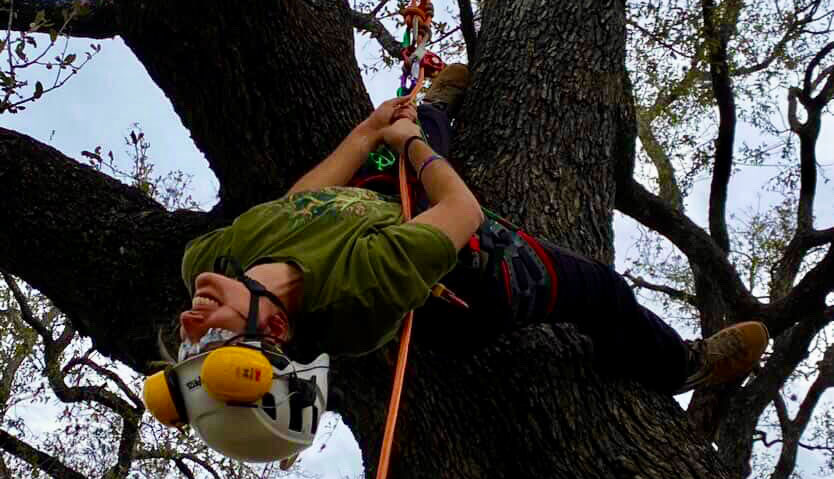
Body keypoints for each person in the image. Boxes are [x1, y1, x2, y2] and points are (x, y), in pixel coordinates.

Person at [178, 65, 769, 396]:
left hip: (377, 207)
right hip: (475, 282)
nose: (189, 322)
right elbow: (463, 214)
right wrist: (407, 144)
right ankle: (678, 365)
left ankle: (434, 107)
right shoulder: (359, 290)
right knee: (602, 292)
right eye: (209, 340)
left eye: (186, 344)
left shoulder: (222, 255)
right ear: (276, 324)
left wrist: (367, 133)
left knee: (418, 131)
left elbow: (297, 205)